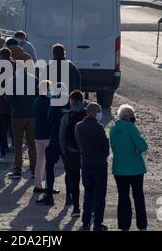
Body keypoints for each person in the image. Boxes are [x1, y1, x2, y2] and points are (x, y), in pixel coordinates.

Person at [110, 104, 148, 231]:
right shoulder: (131, 127)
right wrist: (137, 149)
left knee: (123, 197)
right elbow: (142, 145)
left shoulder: (113, 129)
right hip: (135, 168)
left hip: (119, 168)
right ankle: (142, 225)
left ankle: (124, 226)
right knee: (138, 197)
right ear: (128, 117)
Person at [75, 102, 109, 231]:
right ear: (94, 113)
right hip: (99, 164)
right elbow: (106, 149)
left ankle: (85, 223)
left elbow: (78, 143)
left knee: (88, 194)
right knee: (100, 195)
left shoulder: (78, 126)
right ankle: (98, 223)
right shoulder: (98, 128)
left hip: (86, 163)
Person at [7, 63, 38, 180]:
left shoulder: (12, 81)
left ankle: (17, 170)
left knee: (18, 144)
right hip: (32, 115)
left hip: (17, 115)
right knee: (32, 144)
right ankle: (34, 169)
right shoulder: (34, 80)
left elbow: (9, 100)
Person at [59, 90, 87, 218]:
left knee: (73, 179)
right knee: (88, 182)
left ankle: (75, 206)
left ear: (73, 100)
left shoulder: (67, 116)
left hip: (71, 152)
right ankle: (90, 207)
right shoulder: (88, 113)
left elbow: (62, 136)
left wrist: (64, 152)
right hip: (87, 154)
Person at [0, 47, 15, 163]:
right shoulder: (14, 64)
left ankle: (2, 151)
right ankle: (13, 146)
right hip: (12, 100)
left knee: (2, 128)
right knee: (12, 126)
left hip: (0, 99)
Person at [33, 80, 52, 194]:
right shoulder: (49, 102)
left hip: (38, 134)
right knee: (48, 163)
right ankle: (48, 186)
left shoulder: (36, 101)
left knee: (40, 161)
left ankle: (38, 185)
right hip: (47, 135)